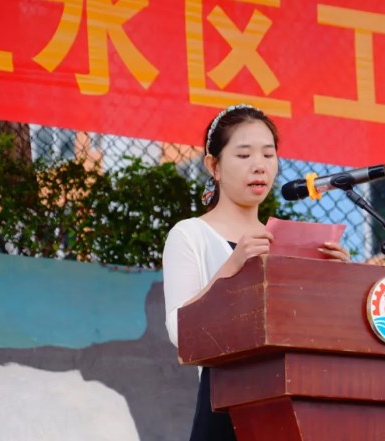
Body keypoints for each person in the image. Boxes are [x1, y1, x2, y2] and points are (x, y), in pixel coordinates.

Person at [162, 104, 350, 441]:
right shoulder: (190, 234)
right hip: (227, 403)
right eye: (244, 155)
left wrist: (339, 283)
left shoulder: (287, 242)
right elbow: (180, 331)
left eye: (268, 154)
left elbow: (313, 334)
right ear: (214, 166)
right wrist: (232, 268)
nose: (259, 165)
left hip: (294, 404)